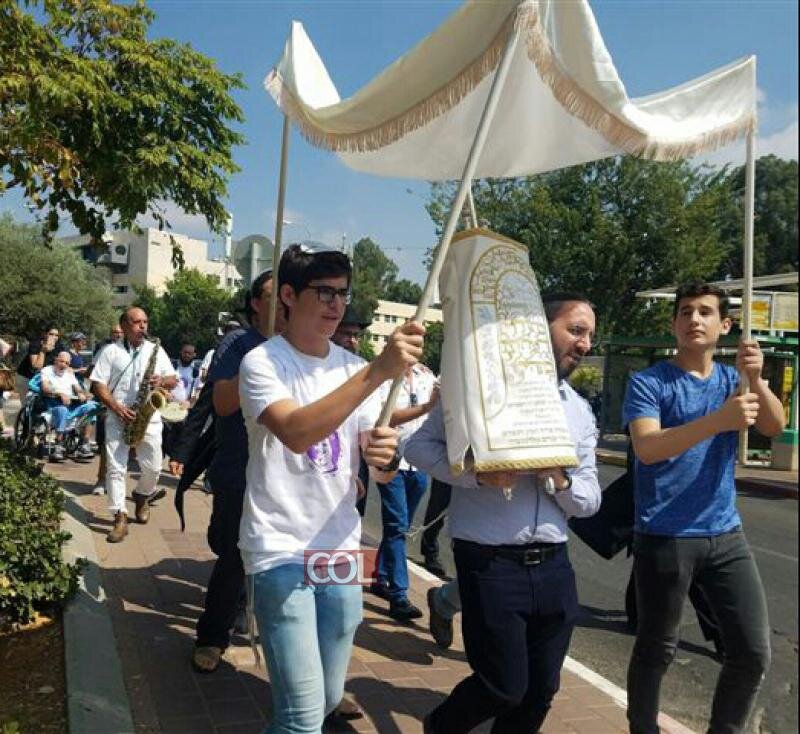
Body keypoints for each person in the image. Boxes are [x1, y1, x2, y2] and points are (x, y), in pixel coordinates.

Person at [238, 243, 424, 732]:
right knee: (301, 719)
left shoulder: (348, 366)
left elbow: (374, 462)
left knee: (324, 698)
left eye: (343, 294)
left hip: (339, 547)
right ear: (288, 295)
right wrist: (377, 371)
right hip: (279, 547)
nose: (336, 305)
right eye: (324, 293)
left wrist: (385, 458)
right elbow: (297, 432)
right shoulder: (263, 363)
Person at [405, 293, 601, 734]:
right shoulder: (477, 391)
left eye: (589, 334)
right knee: (502, 687)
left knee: (539, 692)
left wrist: (558, 476)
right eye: (575, 330)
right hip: (490, 565)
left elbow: (589, 502)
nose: (585, 344)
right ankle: (440, 726)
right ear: (536, 328)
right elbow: (416, 446)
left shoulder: (579, 411)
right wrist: (477, 474)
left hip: (554, 567)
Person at [623, 281, 784, 734]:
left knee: (752, 652)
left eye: (706, 312)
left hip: (726, 534)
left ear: (724, 325)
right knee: (657, 648)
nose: (695, 319)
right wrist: (719, 421)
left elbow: (774, 425)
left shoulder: (736, 379)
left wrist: (756, 378)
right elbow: (649, 447)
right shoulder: (649, 382)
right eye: (686, 312)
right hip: (665, 535)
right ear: (674, 323)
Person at [175, 270, 284, 673]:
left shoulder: (303, 345)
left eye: (287, 295)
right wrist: (267, 360)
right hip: (240, 470)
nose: (282, 304)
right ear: (255, 303)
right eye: (273, 296)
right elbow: (221, 403)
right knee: (234, 555)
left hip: (287, 477)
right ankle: (211, 636)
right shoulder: (238, 344)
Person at [90, 307, 177, 543]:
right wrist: (116, 407)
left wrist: (162, 381)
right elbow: (98, 384)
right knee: (116, 468)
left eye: (145, 322)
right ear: (125, 326)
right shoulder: (110, 351)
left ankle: (141, 494)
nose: (143, 326)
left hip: (148, 417)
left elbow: (173, 379)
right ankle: (120, 516)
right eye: (137, 322)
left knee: (154, 468)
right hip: (118, 417)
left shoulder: (155, 350)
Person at [371, 364, 439, 621]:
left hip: (418, 462)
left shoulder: (427, 375)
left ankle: (380, 576)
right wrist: (426, 407)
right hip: (390, 460)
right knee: (397, 526)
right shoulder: (384, 375)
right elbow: (384, 417)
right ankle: (399, 596)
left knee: (398, 527)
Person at [331, 303, 373, 515]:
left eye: (356, 335)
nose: (353, 341)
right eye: (346, 333)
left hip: (354, 463)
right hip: (321, 461)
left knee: (351, 518)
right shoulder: (313, 367)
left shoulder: (363, 369)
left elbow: (368, 422)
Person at [38, 350, 95, 461]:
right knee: (62, 410)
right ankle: (58, 445)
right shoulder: (47, 371)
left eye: (67, 363)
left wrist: (80, 393)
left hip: (71, 404)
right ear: (56, 360)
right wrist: (60, 393)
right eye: (61, 361)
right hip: (53, 404)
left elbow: (77, 387)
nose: (63, 365)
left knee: (92, 407)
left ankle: (84, 444)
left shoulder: (69, 373)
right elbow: (45, 388)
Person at [89, 325, 124, 495]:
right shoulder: (105, 350)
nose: (118, 335)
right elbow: (93, 374)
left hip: (128, 405)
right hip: (107, 402)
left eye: (120, 333)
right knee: (105, 444)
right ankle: (101, 479)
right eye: (115, 332)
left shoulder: (139, 350)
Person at [16, 327, 65, 399]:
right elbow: (36, 366)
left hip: (42, 379)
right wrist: (43, 351)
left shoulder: (59, 346)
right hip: (26, 377)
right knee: (27, 403)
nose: (54, 337)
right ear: (45, 334)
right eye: (51, 334)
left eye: (56, 335)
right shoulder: (35, 344)